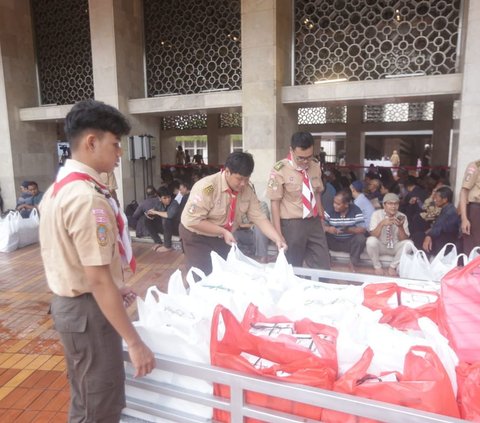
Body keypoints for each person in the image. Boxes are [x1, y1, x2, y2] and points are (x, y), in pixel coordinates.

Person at [38, 99, 155, 422]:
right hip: (88, 311)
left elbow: (73, 260)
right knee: (100, 405)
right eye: (115, 144)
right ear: (92, 142)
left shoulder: (58, 189)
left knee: (86, 398)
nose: (119, 154)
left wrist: (114, 289)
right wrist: (134, 342)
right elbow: (97, 279)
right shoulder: (87, 198)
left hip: (75, 308)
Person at [180, 151, 286, 275]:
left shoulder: (247, 190)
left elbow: (259, 217)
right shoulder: (208, 187)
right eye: (239, 179)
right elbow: (192, 220)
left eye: (247, 179)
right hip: (196, 236)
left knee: (225, 273)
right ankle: (189, 283)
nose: (243, 184)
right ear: (227, 171)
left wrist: (277, 239)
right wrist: (223, 231)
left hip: (222, 237)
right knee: (202, 275)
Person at [266, 131, 330, 269]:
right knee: (292, 267)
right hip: (292, 224)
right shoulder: (280, 169)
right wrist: (278, 234)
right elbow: (275, 203)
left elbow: (317, 194)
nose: (305, 161)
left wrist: (321, 219)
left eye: (309, 157)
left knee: (323, 263)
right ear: (291, 150)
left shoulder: (315, 165)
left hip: (313, 222)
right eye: (301, 158)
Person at [366, 193, 412, 276]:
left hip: (394, 246)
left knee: (409, 244)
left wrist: (400, 227)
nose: (393, 206)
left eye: (396, 204)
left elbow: (403, 239)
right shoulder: (376, 214)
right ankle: (377, 266)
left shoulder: (402, 216)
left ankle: (392, 266)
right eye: (390, 204)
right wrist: (381, 224)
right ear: (384, 205)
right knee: (370, 241)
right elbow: (373, 235)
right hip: (381, 246)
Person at [324, 190, 366, 272]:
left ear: (346, 204)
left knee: (360, 238)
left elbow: (363, 229)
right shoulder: (329, 210)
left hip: (349, 243)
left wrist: (349, 230)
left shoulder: (356, 210)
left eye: (338, 204)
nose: (334, 205)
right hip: (333, 241)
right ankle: (326, 260)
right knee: (320, 236)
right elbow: (320, 226)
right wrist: (328, 229)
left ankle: (353, 263)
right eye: (334, 202)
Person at [412, 186, 460, 256]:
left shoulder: (449, 212)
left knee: (418, 237)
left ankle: (426, 258)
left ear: (445, 199)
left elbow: (438, 227)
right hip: (443, 239)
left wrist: (428, 236)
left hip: (445, 244)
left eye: (436, 198)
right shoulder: (447, 208)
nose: (434, 200)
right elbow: (437, 226)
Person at [145, 187, 180, 252]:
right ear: (159, 198)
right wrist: (150, 214)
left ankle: (167, 246)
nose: (167, 200)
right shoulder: (159, 204)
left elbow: (169, 215)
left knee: (166, 219)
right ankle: (158, 242)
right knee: (147, 220)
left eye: (169, 197)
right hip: (166, 228)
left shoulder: (174, 203)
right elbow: (154, 211)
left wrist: (156, 212)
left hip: (176, 228)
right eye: (165, 198)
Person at [459, 160, 480, 255]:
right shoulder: (475, 166)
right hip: (476, 210)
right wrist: (464, 219)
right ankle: (472, 269)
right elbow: (464, 191)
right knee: (473, 248)